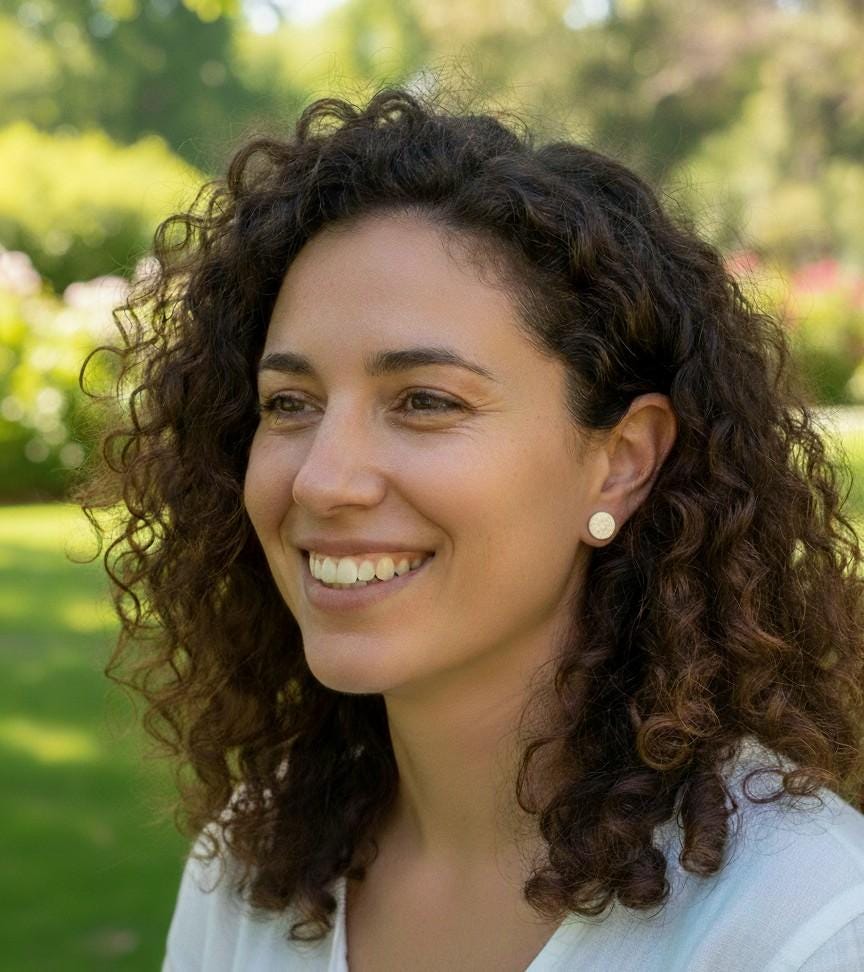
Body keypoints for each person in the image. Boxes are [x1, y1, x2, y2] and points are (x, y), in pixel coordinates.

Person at [76, 86, 864, 971]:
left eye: (425, 401)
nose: (323, 479)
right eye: (289, 403)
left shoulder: (805, 927)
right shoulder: (251, 870)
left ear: (621, 461)